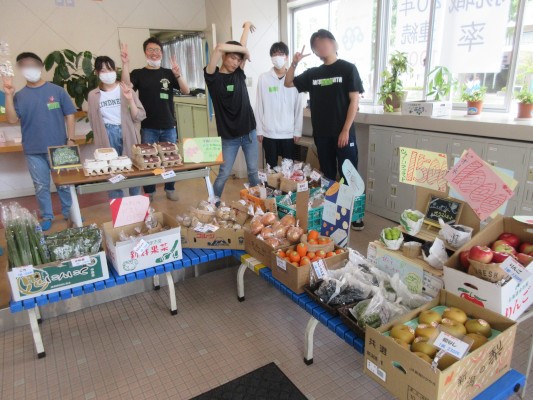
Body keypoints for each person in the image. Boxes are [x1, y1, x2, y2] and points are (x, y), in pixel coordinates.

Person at [285, 29, 365, 231]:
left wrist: (345, 130)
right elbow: (288, 82)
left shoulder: (348, 69)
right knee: (328, 175)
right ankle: (332, 212)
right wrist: (294, 63)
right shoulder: (313, 74)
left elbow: (354, 100)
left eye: (324, 42)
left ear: (334, 43)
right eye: (316, 45)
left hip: (343, 133)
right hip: (322, 134)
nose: (321, 47)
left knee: (349, 174)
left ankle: (355, 215)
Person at [1, 52, 76, 231]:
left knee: (65, 184)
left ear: (41, 66)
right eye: (24, 66)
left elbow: (70, 114)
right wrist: (8, 95)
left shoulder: (57, 90)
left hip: (59, 148)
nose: (29, 69)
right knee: (41, 186)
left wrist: (71, 139)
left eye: (32, 64)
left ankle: (70, 213)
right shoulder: (20, 96)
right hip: (33, 149)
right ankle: (47, 216)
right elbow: (12, 119)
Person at [120, 38, 190, 202]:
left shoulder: (168, 73)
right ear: (145, 53)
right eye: (150, 50)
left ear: (161, 53)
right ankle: (150, 191)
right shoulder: (139, 73)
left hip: (169, 125)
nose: (154, 53)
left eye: (157, 50)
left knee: (171, 159)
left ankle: (170, 188)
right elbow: (126, 85)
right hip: (148, 126)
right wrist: (125, 64)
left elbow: (186, 90)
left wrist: (178, 74)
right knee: (147, 159)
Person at [204, 21, 260, 200]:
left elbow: (242, 45)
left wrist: (247, 27)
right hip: (229, 137)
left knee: (253, 172)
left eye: (239, 59)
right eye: (232, 58)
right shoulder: (213, 77)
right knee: (224, 173)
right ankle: (213, 203)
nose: (236, 63)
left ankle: (259, 205)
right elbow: (219, 47)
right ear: (224, 57)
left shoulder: (238, 73)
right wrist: (245, 51)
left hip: (249, 132)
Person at [87, 56, 146, 199]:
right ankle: (117, 204)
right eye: (103, 70)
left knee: (133, 168)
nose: (107, 73)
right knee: (111, 172)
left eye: (110, 69)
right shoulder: (93, 95)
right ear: (97, 73)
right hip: (107, 134)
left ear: (115, 70)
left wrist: (130, 99)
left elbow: (138, 116)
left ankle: (136, 202)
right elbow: (94, 122)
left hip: (127, 132)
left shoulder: (125, 89)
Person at [256, 41, 305, 169]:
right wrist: (259, 129)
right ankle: (271, 183)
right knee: (271, 167)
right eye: (274, 54)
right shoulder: (263, 78)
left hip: (288, 132)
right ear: (271, 58)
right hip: (269, 132)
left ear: (287, 57)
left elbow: (298, 107)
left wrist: (297, 130)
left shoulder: (295, 79)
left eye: (281, 54)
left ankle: (285, 184)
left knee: (288, 168)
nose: (277, 57)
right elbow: (259, 105)